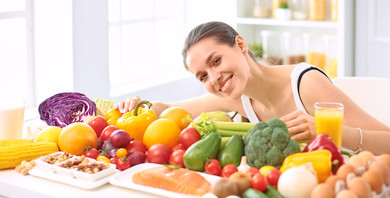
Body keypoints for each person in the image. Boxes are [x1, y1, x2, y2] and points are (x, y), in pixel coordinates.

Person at [116, 21, 390, 155]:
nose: (214, 78)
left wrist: (327, 131)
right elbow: (170, 108)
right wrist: (139, 106)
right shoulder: (238, 98)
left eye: (216, 60)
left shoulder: (306, 84)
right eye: (202, 76)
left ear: (241, 45)